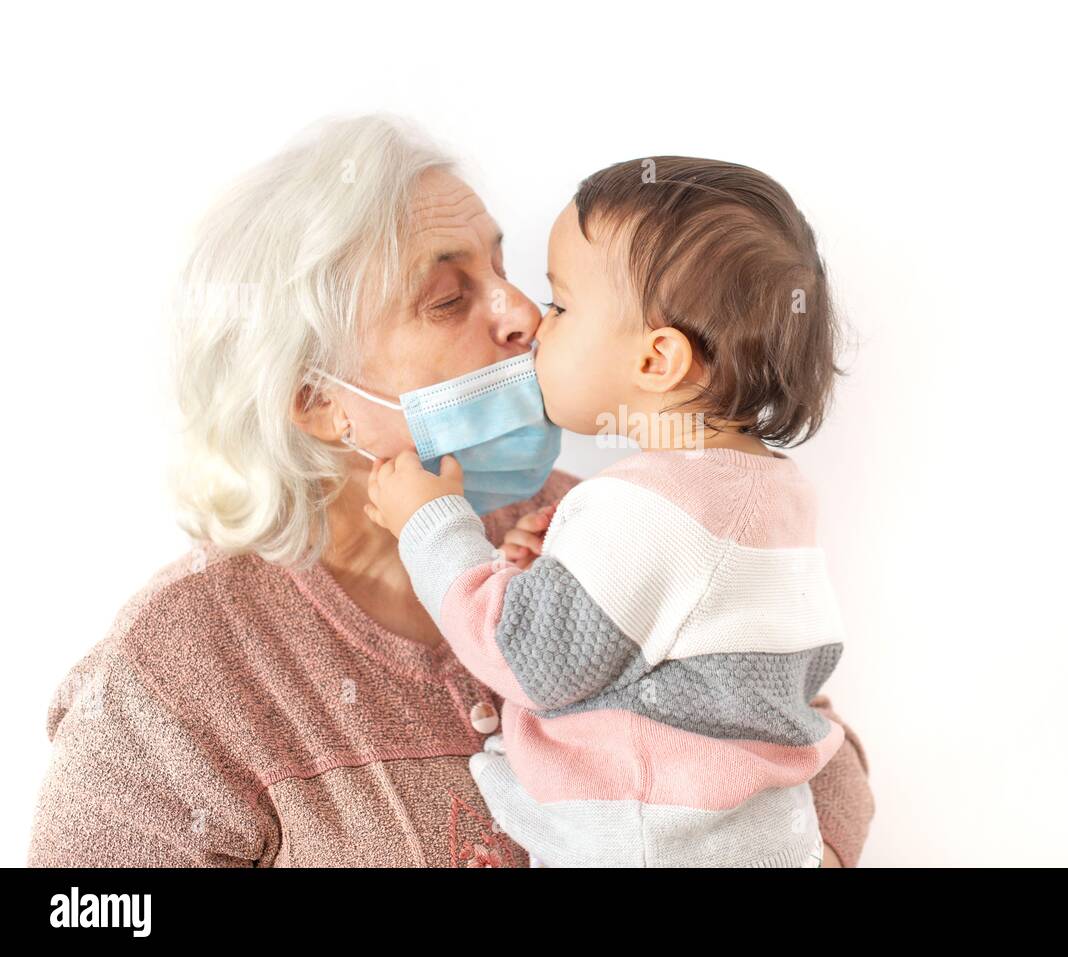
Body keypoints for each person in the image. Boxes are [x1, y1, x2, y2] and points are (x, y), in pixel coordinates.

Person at [26, 116, 875, 867]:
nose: (522, 317)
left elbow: (803, 730)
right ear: (317, 401)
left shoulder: (588, 517)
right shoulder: (182, 661)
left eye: (509, 274)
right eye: (447, 297)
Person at [365, 157, 850, 867]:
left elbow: (526, 658)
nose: (534, 325)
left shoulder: (642, 507)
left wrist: (431, 524)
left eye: (560, 307)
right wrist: (558, 569)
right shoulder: (775, 493)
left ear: (657, 361)